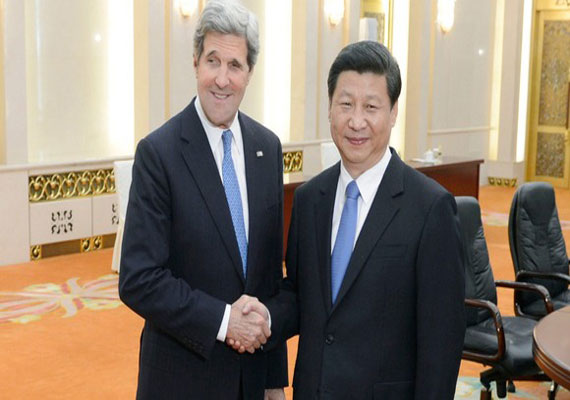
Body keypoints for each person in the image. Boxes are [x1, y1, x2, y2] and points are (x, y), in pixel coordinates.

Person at [260, 41, 466, 399]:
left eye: (371, 106)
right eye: (345, 104)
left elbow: (441, 344)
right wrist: (263, 318)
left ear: (393, 112)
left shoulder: (431, 209)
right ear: (330, 108)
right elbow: (300, 295)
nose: (356, 121)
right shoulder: (309, 200)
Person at [118, 1, 287, 398]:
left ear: (250, 73)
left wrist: (274, 380)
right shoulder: (159, 153)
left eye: (235, 65)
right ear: (195, 62)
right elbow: (139, 279)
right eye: (213, 61)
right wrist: (225, 321)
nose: (222, 79)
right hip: (182, 378)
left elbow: (268, 278)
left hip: (251, 379)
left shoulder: (267, 148)